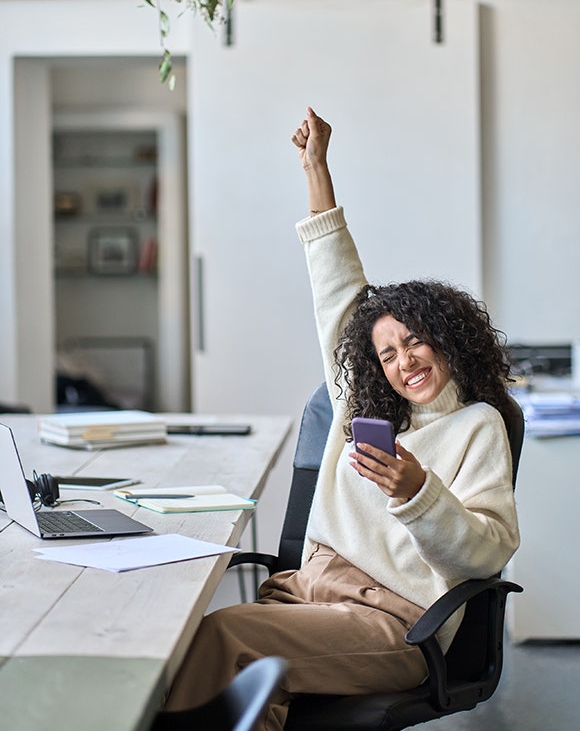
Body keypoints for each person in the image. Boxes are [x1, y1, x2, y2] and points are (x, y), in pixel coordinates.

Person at [161, 107, 520, 731]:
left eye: (416, 342)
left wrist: (419, 495)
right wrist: (316, 168)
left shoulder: (479, 426)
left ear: (445, 339)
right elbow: (336, 288)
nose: (404, 361)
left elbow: (486, 555)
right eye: (387, 353)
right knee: (201, 653)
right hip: (309, 592)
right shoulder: (362, 406)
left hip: (397, 623)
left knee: (227, 638)